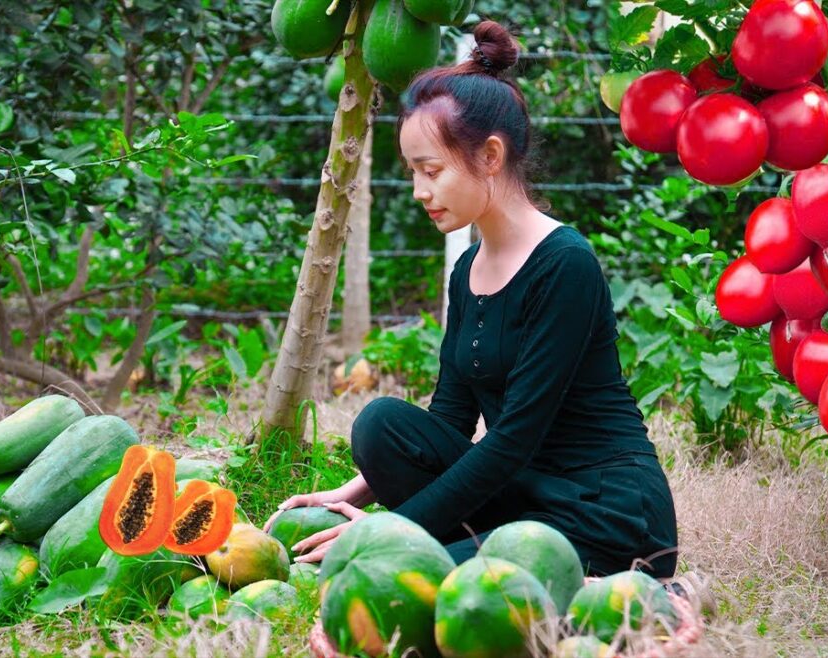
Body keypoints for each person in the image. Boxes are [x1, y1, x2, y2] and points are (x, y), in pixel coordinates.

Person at [266, 20, 681, 581]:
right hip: (524, 496)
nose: (419, 191)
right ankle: (482, 546)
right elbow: (451, 420)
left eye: (430, 171)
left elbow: (511, 441)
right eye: (413, 172)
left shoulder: (566, 264)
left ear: (489, 156)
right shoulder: (467, 271)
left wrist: (390, 530)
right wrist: (355, 494)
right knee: (382, 426)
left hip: (604, 512)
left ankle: (566, 569)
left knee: (406, 576)